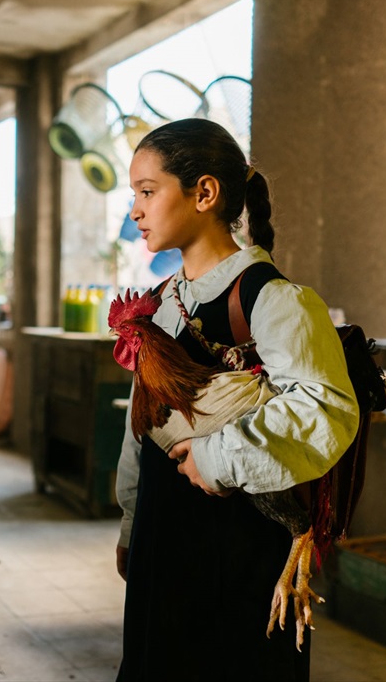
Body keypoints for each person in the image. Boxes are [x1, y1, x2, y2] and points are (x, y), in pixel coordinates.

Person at [114, 119, 359, 681]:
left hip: (240, 543)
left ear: (204, 193)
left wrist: (216, 458)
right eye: (135, 195)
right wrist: (132, 523)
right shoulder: (160, 303)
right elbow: (142, 423)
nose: (136, 210)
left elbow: (325, 408)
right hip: (164, 535)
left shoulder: (274, 300)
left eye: (148, 192)